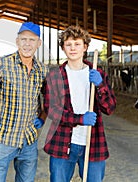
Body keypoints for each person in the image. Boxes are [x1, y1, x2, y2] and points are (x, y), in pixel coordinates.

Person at [0, 22, 48, 182]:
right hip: (4, 140)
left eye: (32, 40)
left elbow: (48, 100)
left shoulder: (42, 70)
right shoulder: (2, 65)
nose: (27, 44)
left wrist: (42, 117)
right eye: (24, 39)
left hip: (29, 139)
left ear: (39, 43)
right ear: (17, 41)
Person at [43, 25, 116, 182]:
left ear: (85, 47)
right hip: (62, 142)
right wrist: (79, 119)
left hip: (93, 142)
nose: (73, 48)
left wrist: (100, 86)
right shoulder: (54, 76)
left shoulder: (98, 74)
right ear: (63, 48)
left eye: (77, 44)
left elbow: (110, 108)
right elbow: (51, 111)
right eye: (68, 44)